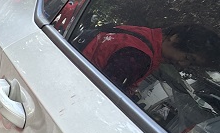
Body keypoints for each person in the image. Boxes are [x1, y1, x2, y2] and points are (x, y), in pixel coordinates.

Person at [80, 23, 220, 97]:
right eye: (187, 58)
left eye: (191, 63)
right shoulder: (138, 57)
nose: (182, 65)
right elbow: (102, 97)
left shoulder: (141, 34)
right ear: (175, 38)